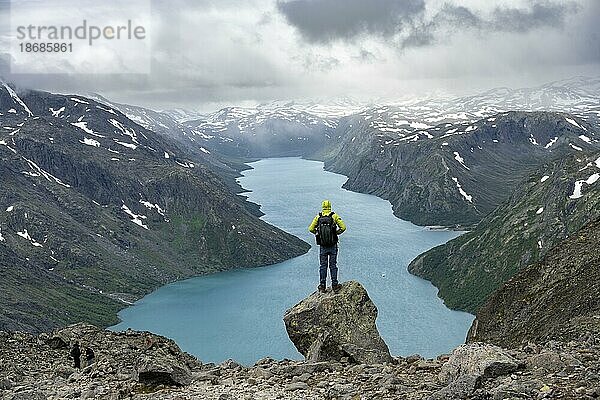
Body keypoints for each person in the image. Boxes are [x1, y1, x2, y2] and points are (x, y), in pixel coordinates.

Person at [308, 200, 346, 293]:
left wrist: (318, 233)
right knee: (333, 265)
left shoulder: (318, 217)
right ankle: (335, 285)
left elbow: (310, 229)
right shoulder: (334, 216)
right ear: (330, 206)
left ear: (322, 206)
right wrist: (336, 233)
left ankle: (322, 286)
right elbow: (343, 227)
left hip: (323, 246)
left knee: (323, 266)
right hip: (333, 245)